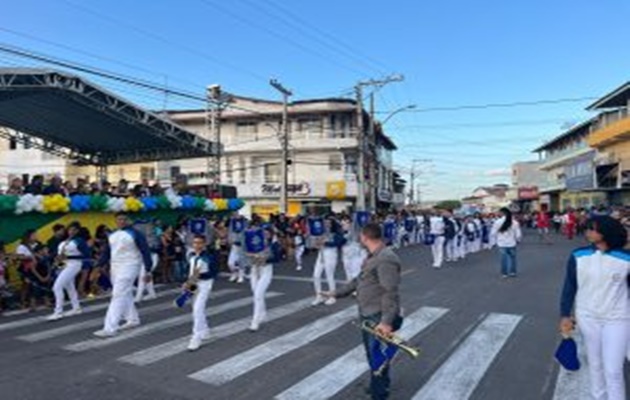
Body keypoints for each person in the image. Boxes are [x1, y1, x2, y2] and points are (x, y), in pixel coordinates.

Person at [321, 223, 402, 400]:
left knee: (377, 355)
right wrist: (335, 293)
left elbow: (390, 291)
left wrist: (386, 322)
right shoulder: (374, 255)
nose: (359, 239)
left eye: (360, 236)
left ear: (365, 237)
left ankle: (379, 393)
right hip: (369, 312)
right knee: (373, 354)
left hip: (378, 315)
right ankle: (378, 386)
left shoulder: (385, 258)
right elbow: (358, 281)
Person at [559, 216, 629, 400]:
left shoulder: (626, 259)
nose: (587, 232)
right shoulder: (578, 255)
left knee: (613, 370)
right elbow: (570, 286)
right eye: (587, 228)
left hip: (618, 318)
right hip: (587, 316)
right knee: (595, 365)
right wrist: (565, 314)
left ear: (607, 231)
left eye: (593, 229)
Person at [93, 212, 152, 337]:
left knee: (118, 294)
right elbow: (106, 252)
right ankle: (133, 319)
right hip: (115, 266)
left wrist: (148, 269)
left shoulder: (136, 233)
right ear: (115, 221)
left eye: (124, 219)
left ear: (129, 220)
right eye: (119, 219)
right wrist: (98, 266)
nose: (122, 221)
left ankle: (110, 328)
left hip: (130, 265)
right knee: (125, 293)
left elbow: (145, 251)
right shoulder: (112, 234)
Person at [46, 222, 90, 321]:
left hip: (74, 264)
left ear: (78, 231)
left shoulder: (79, 241)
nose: (71, 231)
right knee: (69, 287)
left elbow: (87, 255)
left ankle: (58, 312)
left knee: (57, 287)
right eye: (70, 229)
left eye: (74, 229)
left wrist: (69, 256)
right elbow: (58, 255)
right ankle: (76, 307)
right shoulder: (63, 241)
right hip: (63, 265)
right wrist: (56, 259)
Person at [186, 234, 219, 351]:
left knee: (198, 309)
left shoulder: (210, 256)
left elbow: (214, 273)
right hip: (193, 284)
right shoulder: (191, 255)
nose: (197, 245)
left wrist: (200, 275)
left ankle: (196, 337)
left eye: (200, 243)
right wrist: (188, 282)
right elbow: (188, 270)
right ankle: (205, 330)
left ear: (204, 244)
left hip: (205, 284)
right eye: (195, 243)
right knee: (195, 307)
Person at [247, 226, 281, 332]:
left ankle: (255, 321)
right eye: (264, 233)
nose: (265, 235)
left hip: (266, 270)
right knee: (256, 294)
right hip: (254, 270)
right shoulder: (255, 242)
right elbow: (247, 253)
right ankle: (263, 313)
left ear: (271, 234)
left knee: (258, 294)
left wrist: (265, 258)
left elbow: (277, 258)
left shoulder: (274, 244)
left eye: (267, 233)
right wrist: (251, 255)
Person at [491, 208, 522, 279]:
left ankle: (504, 273)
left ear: (502, 213)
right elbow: (518, 234)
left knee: (503, 259)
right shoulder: (515, 222)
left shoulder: (497, 222)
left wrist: (496, 238)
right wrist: (518, 240)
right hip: (512, 243)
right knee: (513, 258)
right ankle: (513, 272)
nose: (498, 214)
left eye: (499, 212)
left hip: (501, 243)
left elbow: (493, 233)